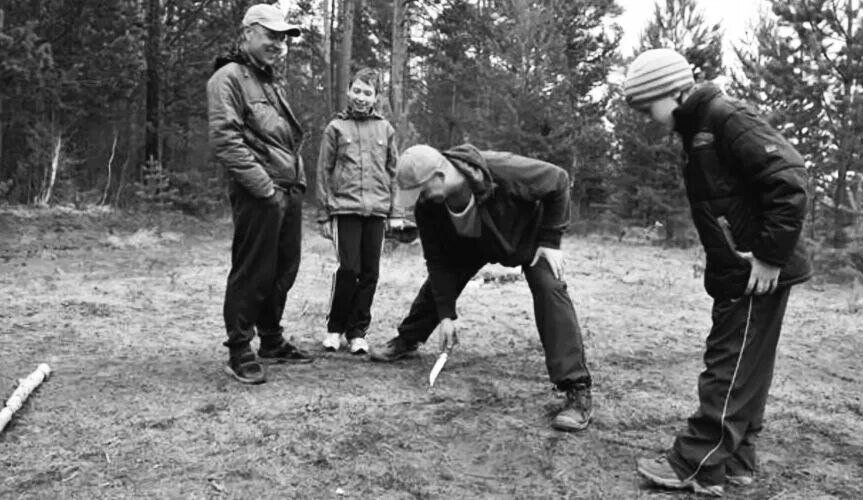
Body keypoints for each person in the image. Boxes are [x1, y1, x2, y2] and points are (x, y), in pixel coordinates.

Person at [622, 48, 811, 496]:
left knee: (728, 364)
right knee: (747, 367)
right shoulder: (699, 129)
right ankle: (736, 461)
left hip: (754, 271)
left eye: (648, 108)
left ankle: (697, 460)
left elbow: (790, 177)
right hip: (739, 270)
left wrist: (769, 255)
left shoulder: (725, 118)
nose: (648, 119)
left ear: (671, 91)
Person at [369, 144, 594, 432]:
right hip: (471, 244)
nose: (420, 199)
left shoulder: (503, 169)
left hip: (526, 239)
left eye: (422, 190)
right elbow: (437, 261)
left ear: (440, 175)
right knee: (438, 286)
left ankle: (576, 388)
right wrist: (446, 316)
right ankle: (407, 339)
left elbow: (559, 180)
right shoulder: (429, 206)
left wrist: (550, 241)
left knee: (550, 289)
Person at [207, 3, 314, 385]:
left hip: (287, 188)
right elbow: (226, 140)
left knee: (284, 268)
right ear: (248, 32)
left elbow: (282, 138)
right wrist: (265, 189)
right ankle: (239, 349)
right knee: (253, 269)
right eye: (270, 35)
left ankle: (271, 339)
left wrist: (294, 185)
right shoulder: (229, 78)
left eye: (282, 38)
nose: (278, 44)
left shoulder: (267, 79)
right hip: (261, 192)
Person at [315, 68, 403, 355]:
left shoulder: (386, 130)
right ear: (349, 92)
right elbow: (323, 171)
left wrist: (395, 212)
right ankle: (335, 329)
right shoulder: (335, 129)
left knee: (370, 273)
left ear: (376, 97)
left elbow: (395, 173)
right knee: (349, 269)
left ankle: (358, 333)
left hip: (377, 211)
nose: (361, 97)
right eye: (357, 91)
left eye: (368, 93)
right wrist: (324, 213)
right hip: (345, 209)